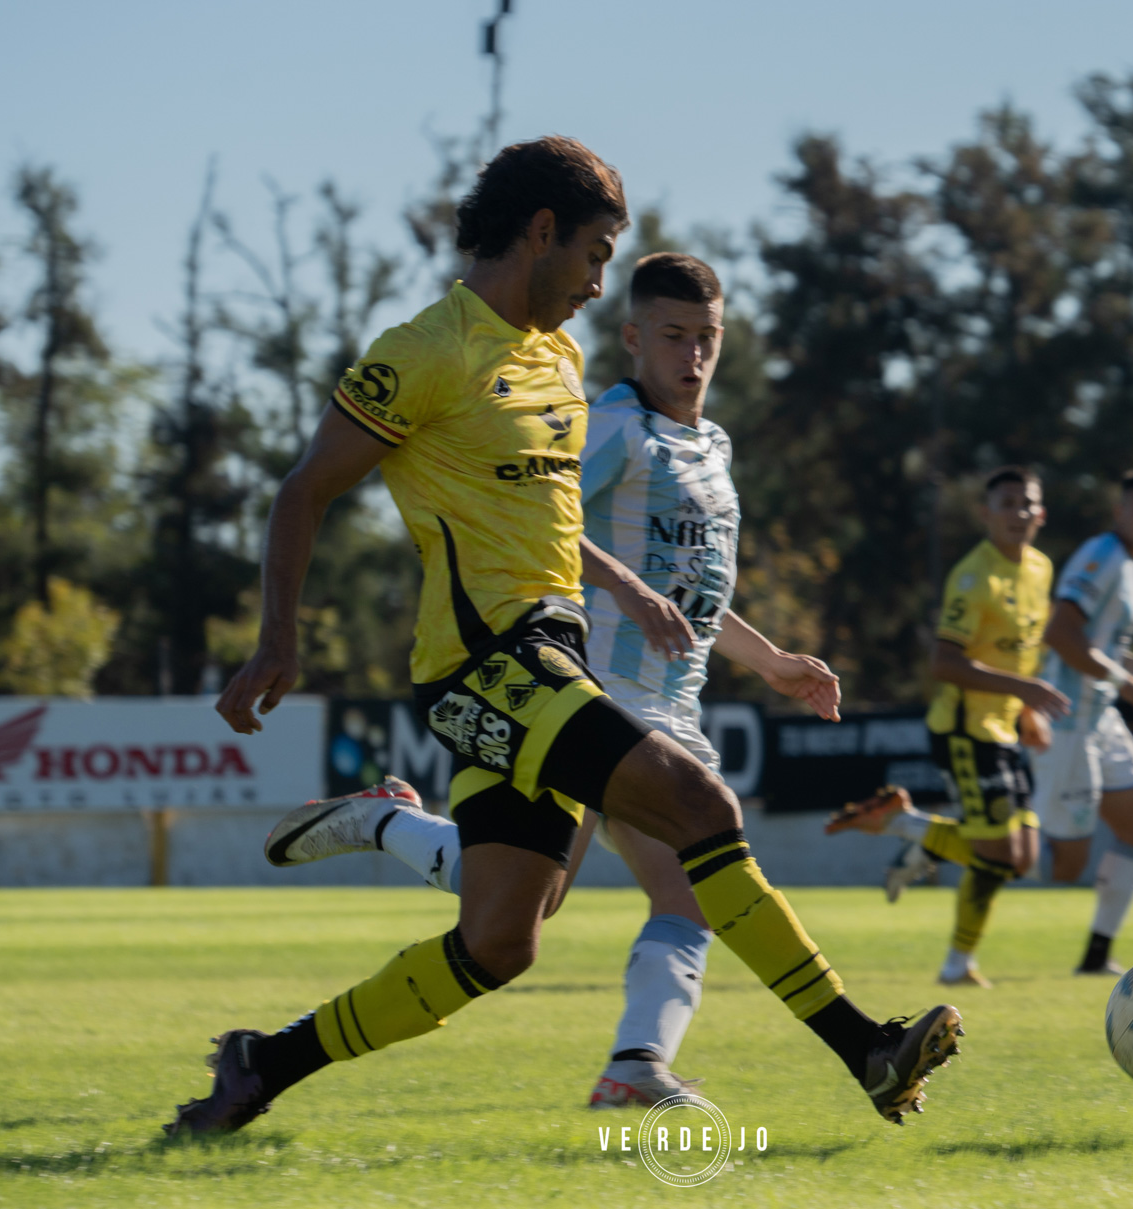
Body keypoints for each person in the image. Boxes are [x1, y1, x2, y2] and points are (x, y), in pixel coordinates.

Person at [166, 137, 959, 1137]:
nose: (597, 281)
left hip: (551, 660)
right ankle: (866, 1047)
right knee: (699, 803)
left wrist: (648, 604)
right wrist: (276, 636)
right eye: (594, 253)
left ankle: (260, 1065)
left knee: (501, 944)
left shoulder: (558, 356)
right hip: (485, 666)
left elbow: (558, 530)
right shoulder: (426, 351)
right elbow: (304, 489)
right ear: (539, 232)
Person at [262, 251, 848, 1111]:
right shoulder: (612, 425)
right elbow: (548, 518)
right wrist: (624, 587)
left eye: (708, 338)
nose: (693, 356)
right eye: (675, 336)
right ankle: (640, 1065)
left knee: (517, 910)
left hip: (670, 702)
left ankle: (387, 822)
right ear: (634, 338)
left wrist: (772, 662)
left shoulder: (710, 444)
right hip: (589, 686)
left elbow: (698, 590)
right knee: (684, 876)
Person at [824, 468, 1069, 987]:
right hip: (965, 731)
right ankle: (955, 960)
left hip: (1004, 727)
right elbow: (943, 662)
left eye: (1027, 504)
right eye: (1006, 503)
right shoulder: (972, 576)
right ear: (986, 514)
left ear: (1041, 514)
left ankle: (911, 829)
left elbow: (1022, 653)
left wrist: (1025, 712)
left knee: (1020, 857)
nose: (1017, 513)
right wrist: (1024, 693)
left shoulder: (1041, 568)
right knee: (996, 855)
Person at [1034, 469, 1133, 975]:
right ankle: (924, 836)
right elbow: (1061, 633)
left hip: (1098, 718)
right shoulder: (1102, 556)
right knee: (1064, 867)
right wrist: (1130, 683)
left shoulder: (1128, 567)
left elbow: (1101, 649)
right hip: (1065, 719)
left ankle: (1097, 957)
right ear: (1119, 511)